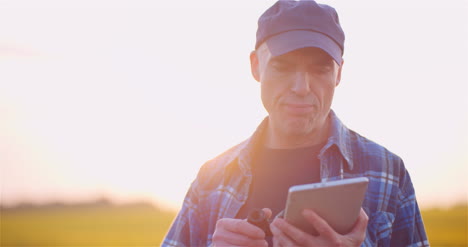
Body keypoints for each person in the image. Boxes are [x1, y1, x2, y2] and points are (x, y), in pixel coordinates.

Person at [162, 1, 429, 246]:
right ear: (256, 66)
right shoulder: (212, 178)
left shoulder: (388, 171)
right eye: (283, 67)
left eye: (320, 68)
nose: (301, 88)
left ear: (339, 73)